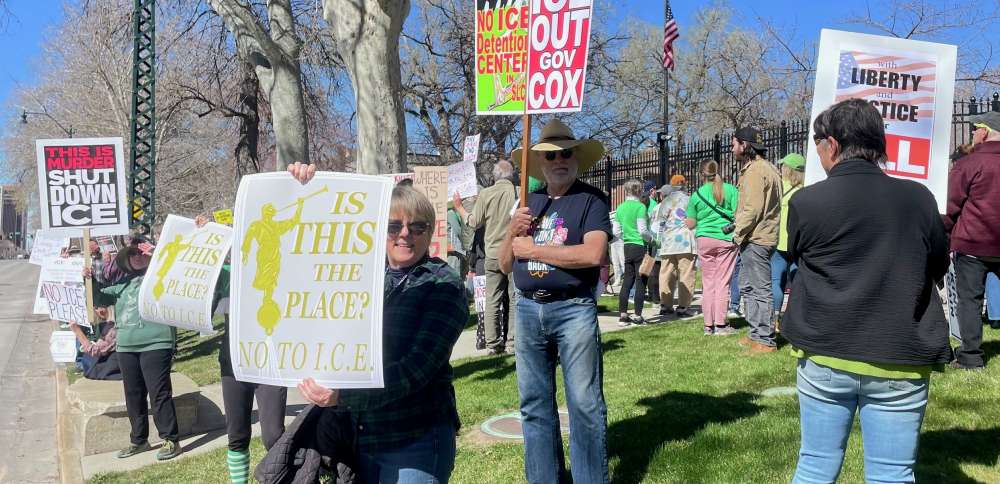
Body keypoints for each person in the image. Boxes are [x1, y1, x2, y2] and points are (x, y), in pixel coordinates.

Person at [785, 98, 951, 483]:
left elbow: (795, 257)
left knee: (814, 465)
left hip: (826, 353)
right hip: (900, 356)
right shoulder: (920, 198)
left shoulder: (807, 201)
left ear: (833, 144)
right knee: (893, 475)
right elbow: (939, 265)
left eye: (817, 142)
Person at [291, 162, 469, 484]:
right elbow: (305, 250)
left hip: (415, 436)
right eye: (393, 225)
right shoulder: (359, 276)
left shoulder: (444, 283)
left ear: (429, 232)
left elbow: (417, 369)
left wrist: (344, 396)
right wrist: (305, 189)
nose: (405, 233)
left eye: (417, 227)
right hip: (361, 437)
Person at [501, 119, 611, 484]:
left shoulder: (590, 200)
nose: (559, 160)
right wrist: (511, 233)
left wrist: (535, 249)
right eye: (550, 155)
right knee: (534, 406)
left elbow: (593, 253)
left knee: (584, 404)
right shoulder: (526, 203)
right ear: (540, 163)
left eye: (565, 153)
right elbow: (505, 263)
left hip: (573, 308)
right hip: (528, 309)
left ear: (576, 158)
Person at [93, 236, 183, 461]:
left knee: (159, 392)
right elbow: (98, 297)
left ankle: (171, 439)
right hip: (126, 346)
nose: (138, 257)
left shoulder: (163, 277)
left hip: (157, 342)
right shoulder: (121, 285)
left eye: (141, 253)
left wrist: (156, 255)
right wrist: (89, 280)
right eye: (132, 254)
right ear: (127, 260)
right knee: (133, 394)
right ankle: (139, 440)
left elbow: (177, 272)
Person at [943, 110, 1000, 370]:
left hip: (973, 244)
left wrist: (943, 232)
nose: (973, 133)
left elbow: (951, 206)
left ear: (985, 131)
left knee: (969, 300)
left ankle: (971, 357)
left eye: (975, 128)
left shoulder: (968, 164)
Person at [454, 160, 518, 355]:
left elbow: (473, 222)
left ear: (494, 176)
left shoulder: (486, 194)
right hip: (513, 253)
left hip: (491, 254)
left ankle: (492, 343)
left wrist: (459, 207)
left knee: (492, 299)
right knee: (514, 298)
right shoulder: (519, 192)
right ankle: (512, 342)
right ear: (512, 175)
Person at [731, 127, 783, 353]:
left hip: (756, 238)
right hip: (762, 236)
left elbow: (752, 209)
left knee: (759, 289)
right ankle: (755, 334)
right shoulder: (769, 168)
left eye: (734, 144)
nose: (733, 149)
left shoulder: (754, 171)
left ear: (744, 145)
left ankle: (765, 339)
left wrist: (737, 234)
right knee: (748, 286)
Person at [686, 160, 740, 336]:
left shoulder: (696, 195)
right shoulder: (731, 190)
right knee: (722, 282)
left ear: (701, 174)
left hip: (704, 240)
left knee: (708, 283)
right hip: (725, 239)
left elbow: (691, 223)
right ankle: (720, 324)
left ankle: (708, 325)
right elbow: (739, 214)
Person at [653, 175, 697, 318]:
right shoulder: (689, 200)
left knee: (666, 273)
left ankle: (666, 305)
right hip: (685, 241)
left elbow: (659, 222)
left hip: (668, 242)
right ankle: (683, 306)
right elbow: (694, 221)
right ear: (684, 185)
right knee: (686, 273)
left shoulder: (666, 201)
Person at [772, 153, 805, 330]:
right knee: (798, 283)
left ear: (787, 169)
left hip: (779, 243)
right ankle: (794, 320)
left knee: (776, 281)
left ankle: (774, 319)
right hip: (798, 243)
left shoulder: (779, 188)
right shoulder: (806, 189)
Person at [614, 178, 653, 326]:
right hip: (639, 246)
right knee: (641, 281)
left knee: (627, 280)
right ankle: (637, 315)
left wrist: (627, 236)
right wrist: (652, 240)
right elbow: (643, 230)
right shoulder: (641, 207)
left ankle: (623, 315)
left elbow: (616, 231)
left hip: (627, 246)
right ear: (639, 191)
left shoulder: (620, 207)